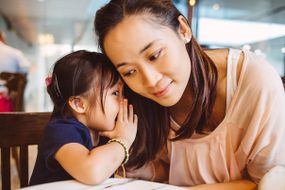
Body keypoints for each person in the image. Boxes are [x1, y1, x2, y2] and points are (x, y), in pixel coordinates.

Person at [94, 0, 285, 189]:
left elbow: (268, 183)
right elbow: (173, 171)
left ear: (183, 30)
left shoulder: (255, 82)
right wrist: (146, 170)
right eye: (129, 72)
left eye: (154, 55)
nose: (150, 81)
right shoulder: (139, 102)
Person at [29, 50, 138, 185]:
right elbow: (92, 172)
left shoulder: (103, 132)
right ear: (79, 104)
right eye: (115, 93)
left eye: (123, 93)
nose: (123, 101)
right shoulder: (60, 131)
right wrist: (123, 140)